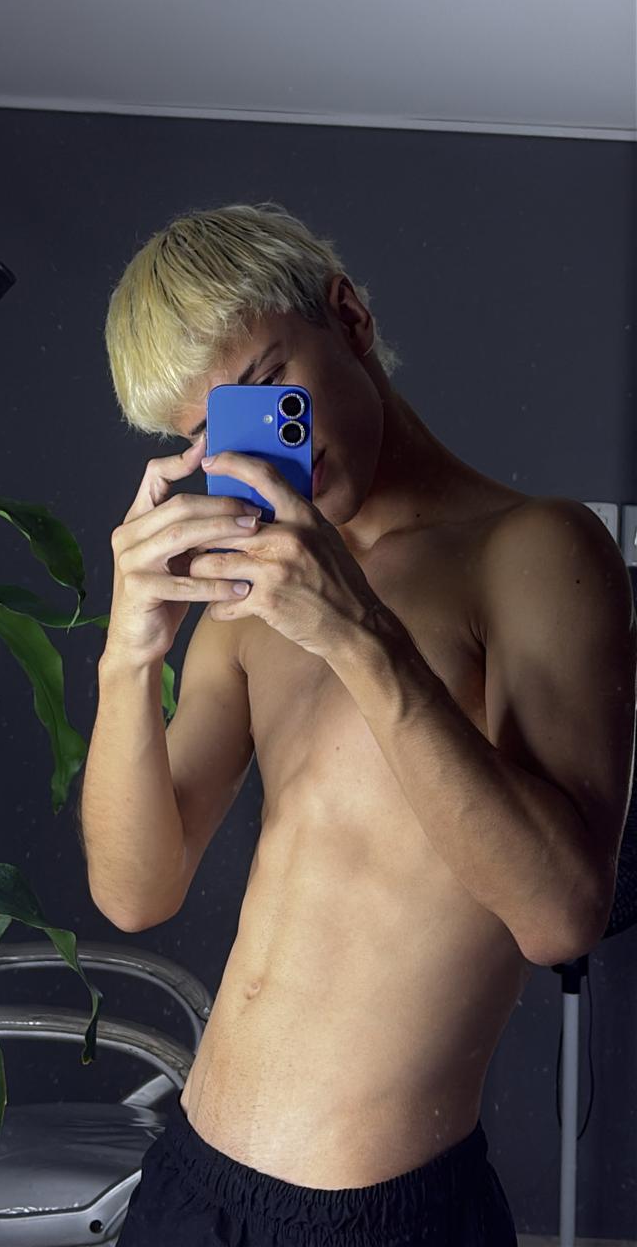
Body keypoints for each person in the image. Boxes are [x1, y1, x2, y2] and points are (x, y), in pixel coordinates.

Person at [81, 202, 636, 1245]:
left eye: (264, 389)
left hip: (381, 1216)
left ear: (348, 317)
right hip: (190, 1184)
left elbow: (562, 916)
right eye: (202, 433)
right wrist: (128, 657)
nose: (245, 447)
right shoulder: (250, 592)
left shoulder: (534, 551)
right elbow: (135, 891)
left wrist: (358, 633)